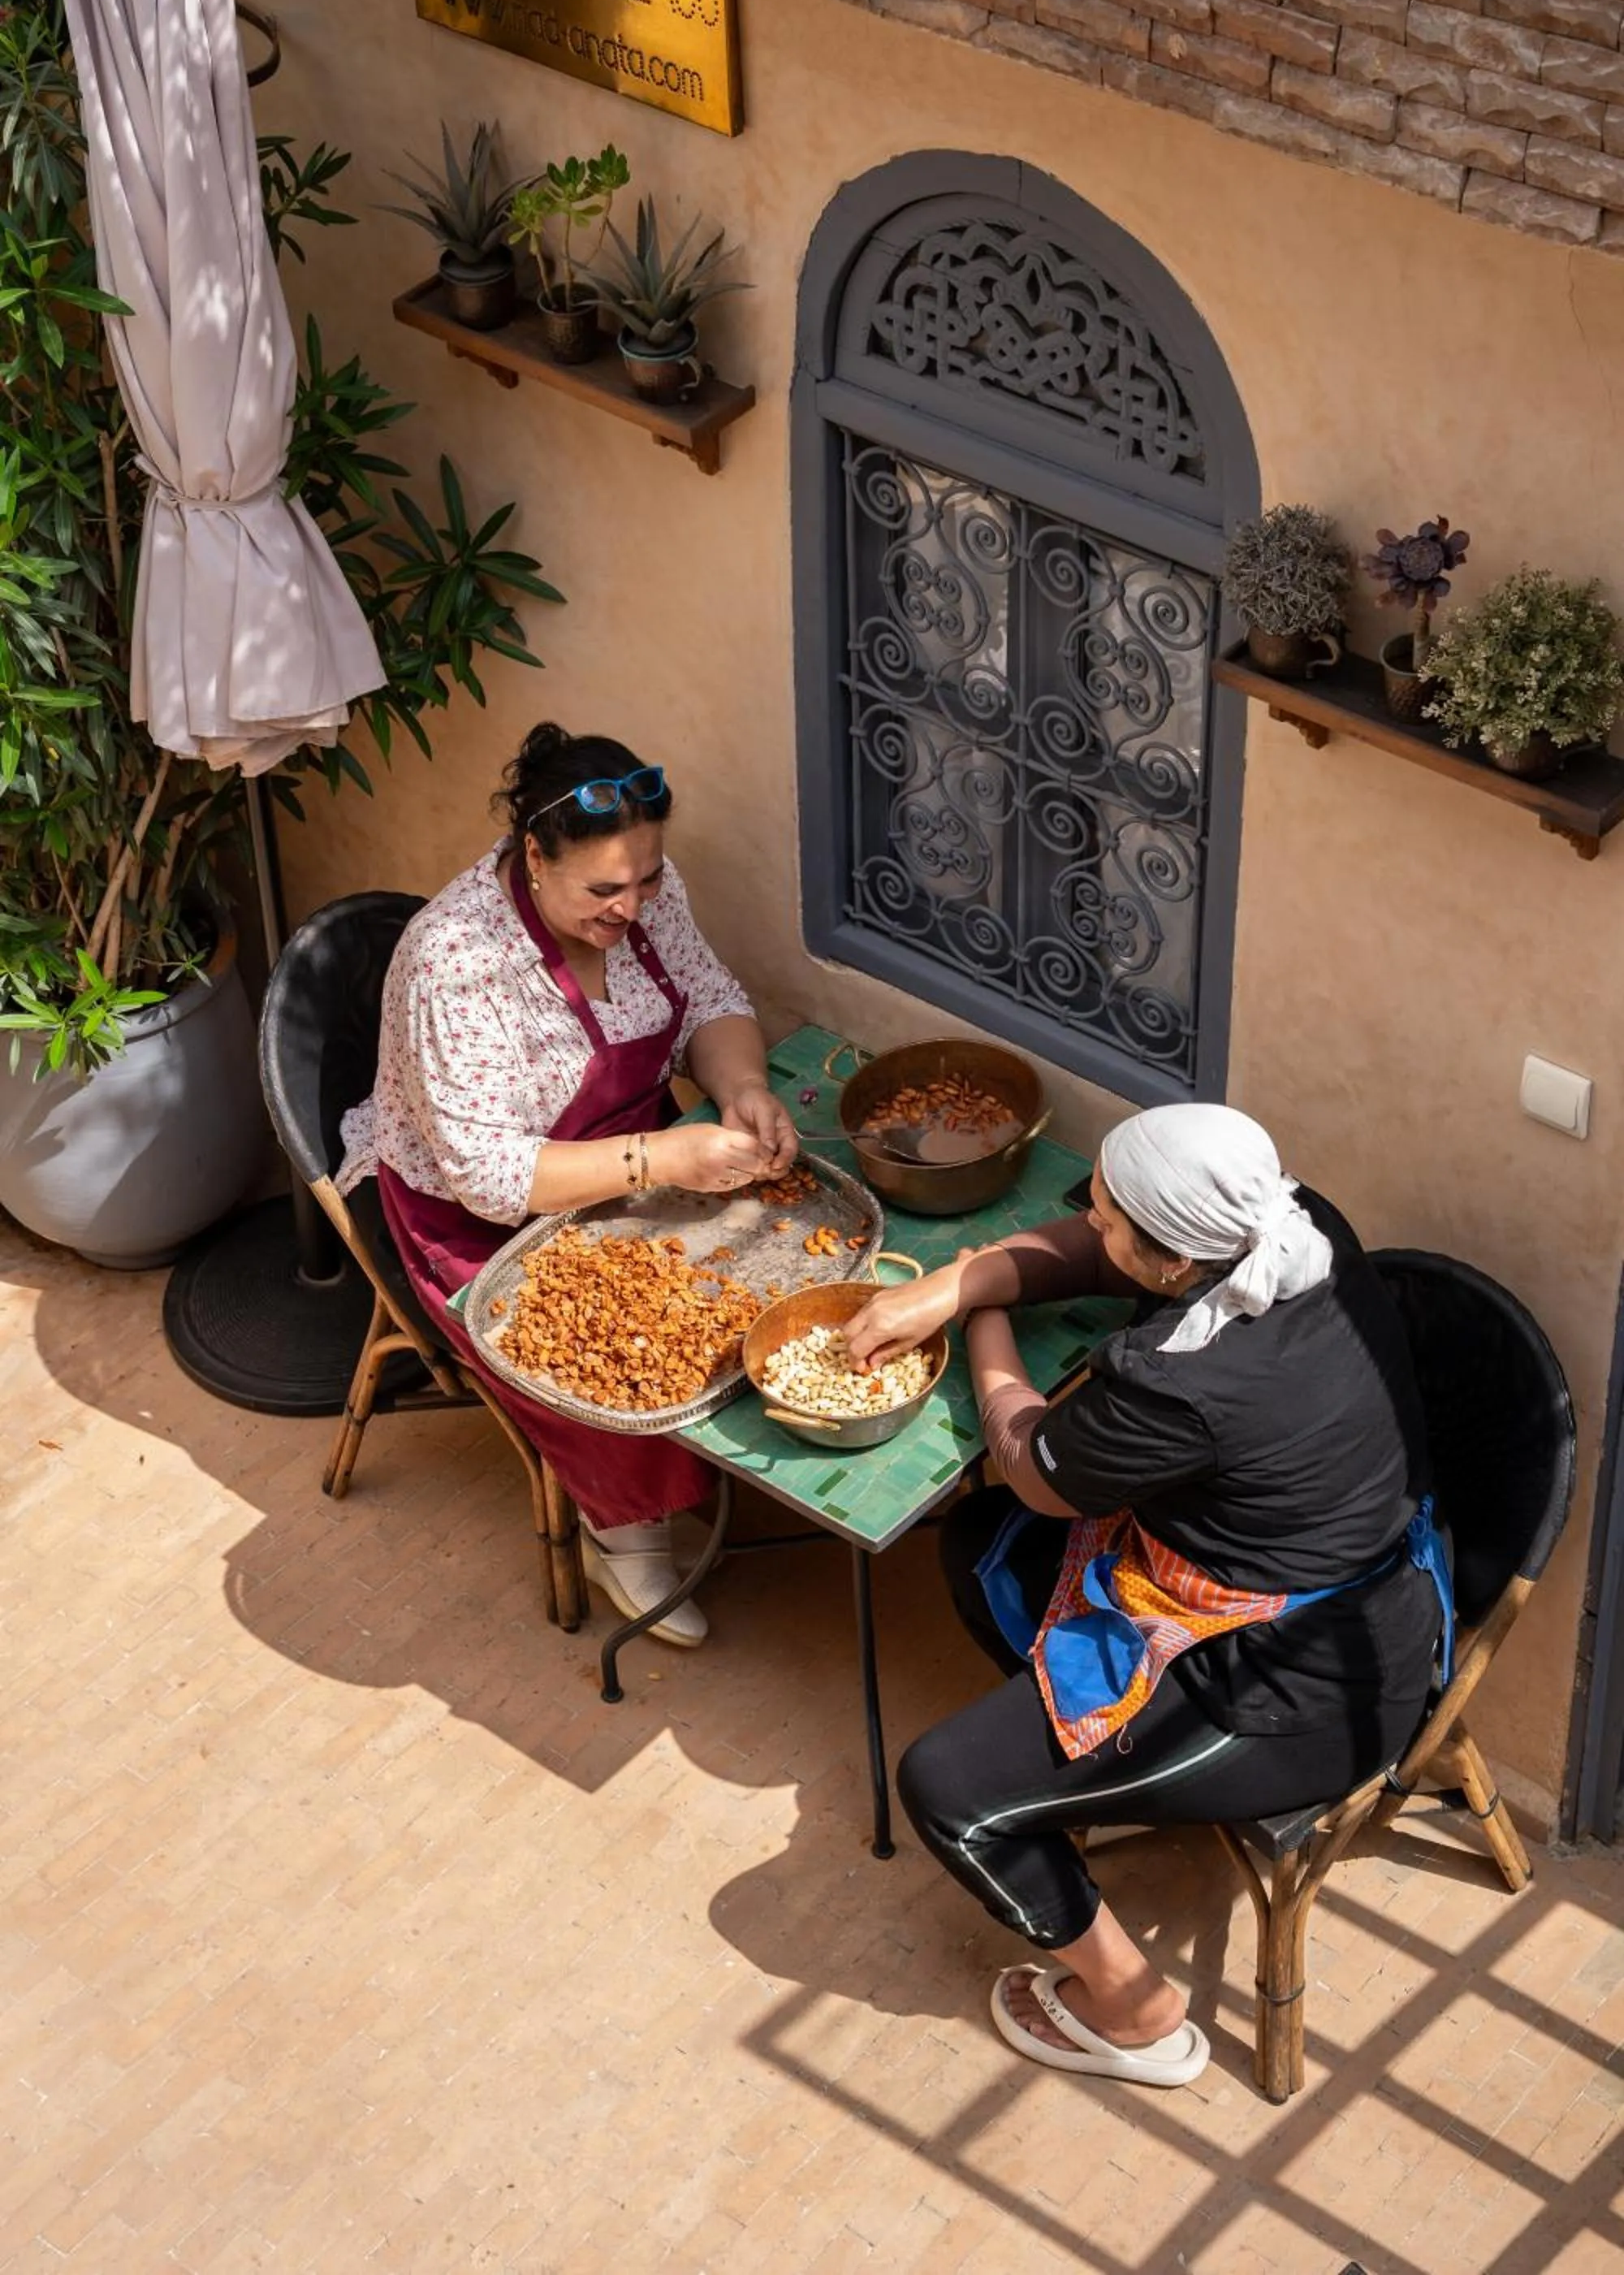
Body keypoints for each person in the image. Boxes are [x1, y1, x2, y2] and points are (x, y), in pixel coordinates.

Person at [842, 1105, 1449, 2087]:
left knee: (947, 1792)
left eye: (1112, 1215)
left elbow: (1033, 1465)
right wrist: (958, 1278)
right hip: (1323, 1572)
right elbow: (1095, 1252)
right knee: (981, 1548)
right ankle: (1076, 1771)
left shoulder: (1177, 1385)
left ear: (1173, 1264)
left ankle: (1131, 2008)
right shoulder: (1294, 1224)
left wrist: (976, 1317)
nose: (1091, 1216)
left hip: (1299, 1690)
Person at [339, 722, 799, 1646]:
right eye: (604, 889)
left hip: (628, 1156)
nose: (632, 907)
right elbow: (485, 1173)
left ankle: (711, 1465)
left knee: (762, 1276)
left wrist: (741, 1089)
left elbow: (709, 1000)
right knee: (620, 1355)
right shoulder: (454, 961)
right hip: (480, 1216)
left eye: (648, 879)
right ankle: (623, 1530)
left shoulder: (642, 897)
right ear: (533, 856)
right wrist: (664, 1160)